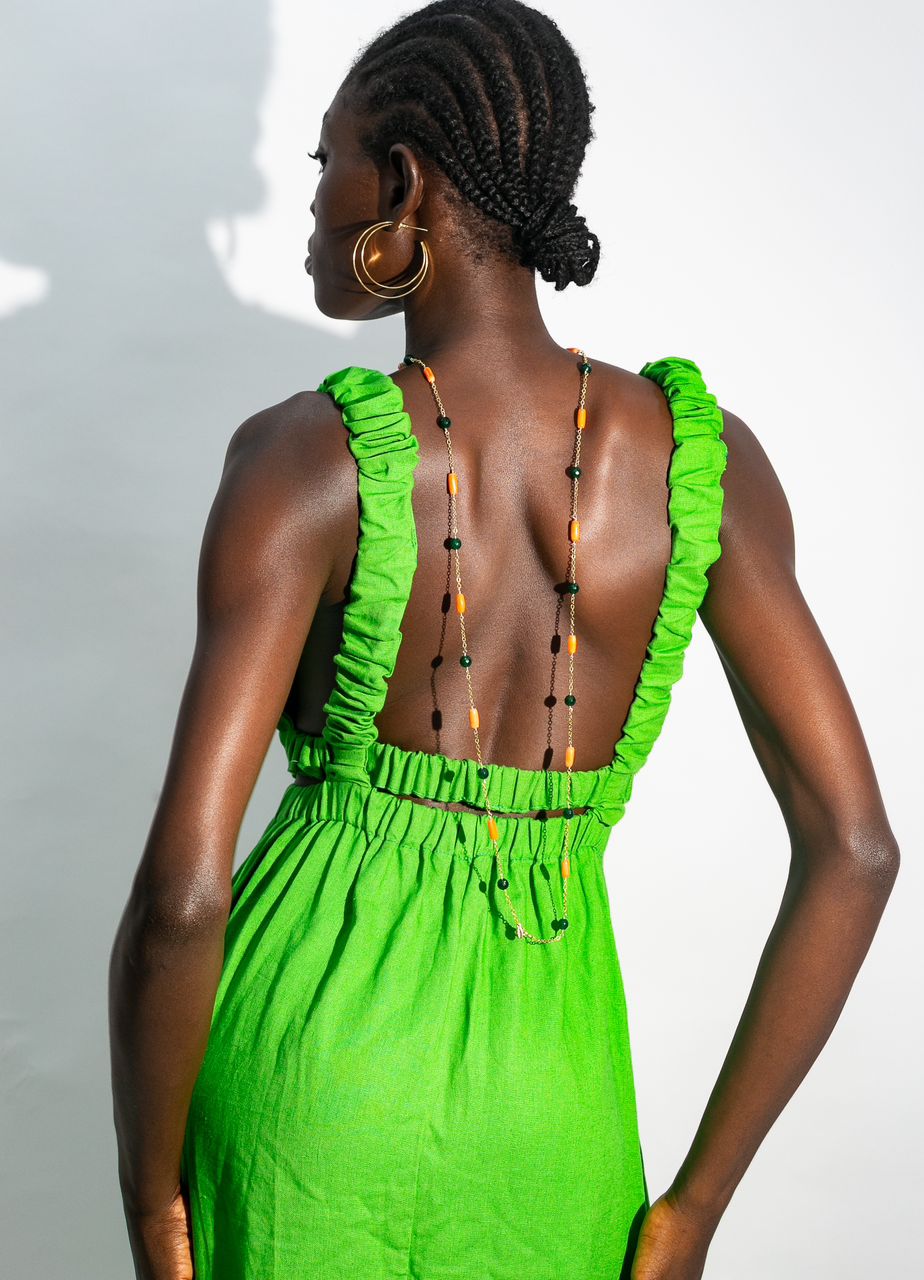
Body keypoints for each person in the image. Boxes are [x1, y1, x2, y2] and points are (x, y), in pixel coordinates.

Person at [108, 2, 900, 1277]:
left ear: (404, 185)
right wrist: (691, 1206)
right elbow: (857, 849)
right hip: (558, 1108)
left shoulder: (301, 464)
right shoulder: (705, 466)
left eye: (330, 165)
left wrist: (154, 1200)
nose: (314, 203)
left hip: (302, 1088)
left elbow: (183, 902)